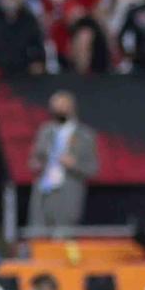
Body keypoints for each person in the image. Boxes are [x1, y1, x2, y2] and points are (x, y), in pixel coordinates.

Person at [29, 92, 97, 236]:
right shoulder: (45, 131)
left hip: (67, 196)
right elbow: (34, 160)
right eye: (56, 107)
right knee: (38, 240)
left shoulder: (85, 135)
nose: (59, 111)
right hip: (43, 194)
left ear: (72, 108)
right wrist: (36, 163)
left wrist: (73, 164)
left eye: (63, 107)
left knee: (63, 241)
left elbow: (92, 169)